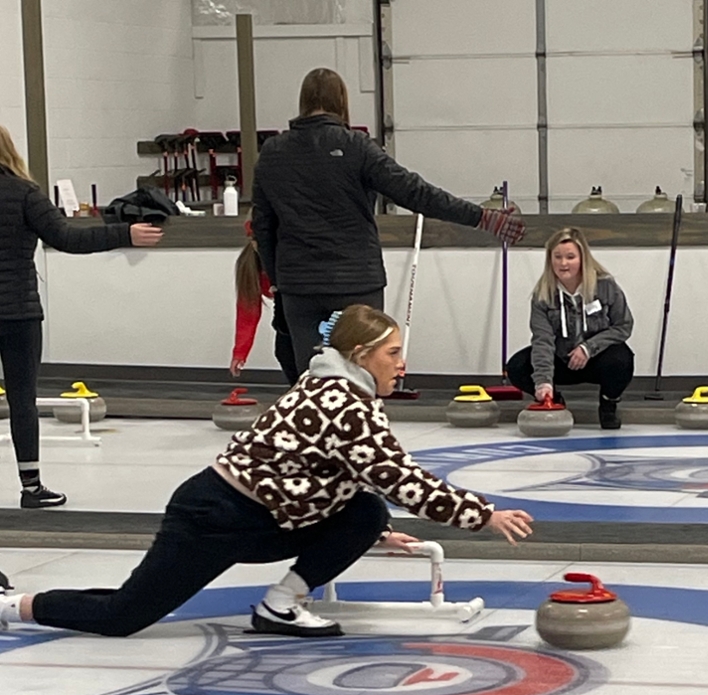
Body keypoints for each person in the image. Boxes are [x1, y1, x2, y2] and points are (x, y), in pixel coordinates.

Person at [0, 305, 534, 638]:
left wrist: (365, 527)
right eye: (393, 353)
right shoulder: (345, 403)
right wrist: (483, 515)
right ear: (361, 354)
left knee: (366, 512)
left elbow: (331, 472)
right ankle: (12, 605)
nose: (402, 364)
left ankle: (281, 606)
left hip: (256, 514)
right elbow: (401, 478)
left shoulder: (331, 385)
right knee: (126, 615)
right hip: (214, 516)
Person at [253, 68, 526, 375]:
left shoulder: (272, 152)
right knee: (362, 374)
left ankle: (314, 422)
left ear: (302, 102)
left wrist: (279, 281)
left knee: (311, 378)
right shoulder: (357, 146)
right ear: (342, 100)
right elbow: (415, 192)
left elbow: (262, 226)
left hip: (299, 284)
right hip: (356, 279)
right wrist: (481, 217)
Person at [0, 125, 162, 509]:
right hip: (18, 313)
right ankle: (32, 486)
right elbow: (68, 239)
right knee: (23, 400)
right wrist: (124, 234)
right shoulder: (24, 193)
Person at [506, 227, 634, 430]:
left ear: (582, 258)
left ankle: (608, 405)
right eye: (557, 257)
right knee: (516, 366)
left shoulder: (605, 286)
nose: (563, 263)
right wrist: (543, 381)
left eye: (570, 257)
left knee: (622, 359)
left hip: (596, 359)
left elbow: (623, 326)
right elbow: (542, 340)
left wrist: (588, 348)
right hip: (561, 361)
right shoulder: (543, 296)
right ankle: (553, 399)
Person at [230, 213, 298, 385]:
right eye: (255, 238)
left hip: (306, 304)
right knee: (284, 352)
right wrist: (240, 353)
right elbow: (247, 311)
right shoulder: (250, 265)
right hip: (285, 310)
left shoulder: (293, 256)